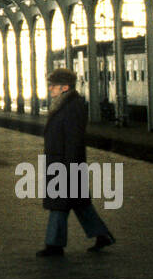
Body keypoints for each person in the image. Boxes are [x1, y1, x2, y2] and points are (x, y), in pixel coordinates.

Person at [38, 67, 115, 257]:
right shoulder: (64, 105)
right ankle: (102, 235)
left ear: (65, 87)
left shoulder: (72, 107)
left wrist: (70, 168)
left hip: (66, 165)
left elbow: (73, 139)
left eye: (53, 86)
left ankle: (54, 245)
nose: (50, 89)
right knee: (79, 204)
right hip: (62, 163)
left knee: (59, 205)